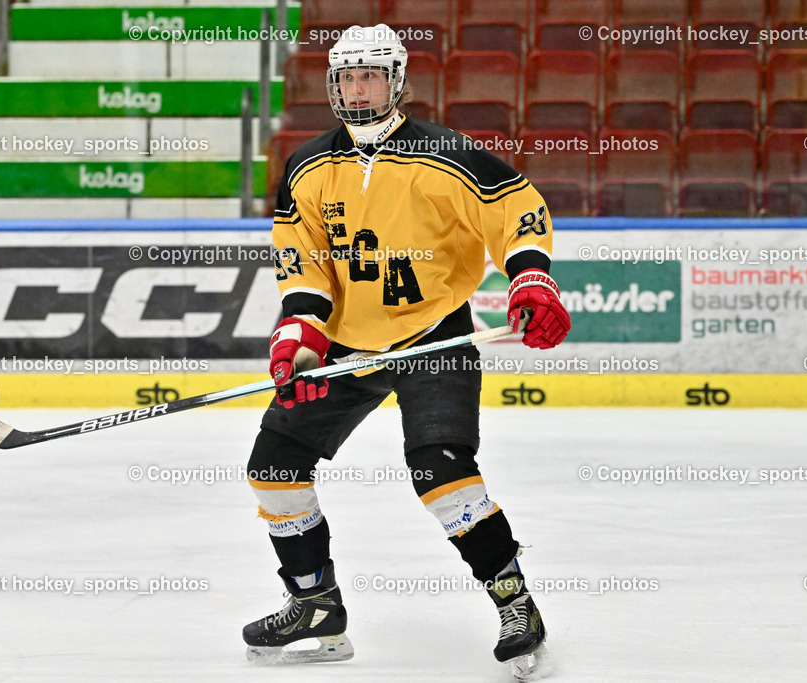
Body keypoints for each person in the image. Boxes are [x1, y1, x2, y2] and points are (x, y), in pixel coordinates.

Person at [242, 24, 571, 680]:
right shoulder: (307, 166)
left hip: (434, 335)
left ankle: (515, 602)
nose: (357, 88)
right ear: (333, 86)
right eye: (347, 77)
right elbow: (301, 262)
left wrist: (530, 276)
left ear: (397, 82)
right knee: (274, 466)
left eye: (370, 76)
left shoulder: (448, 155)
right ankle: (314, 603)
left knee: (439, 470)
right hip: (346, 340)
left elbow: (517, 211)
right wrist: (300, 336)